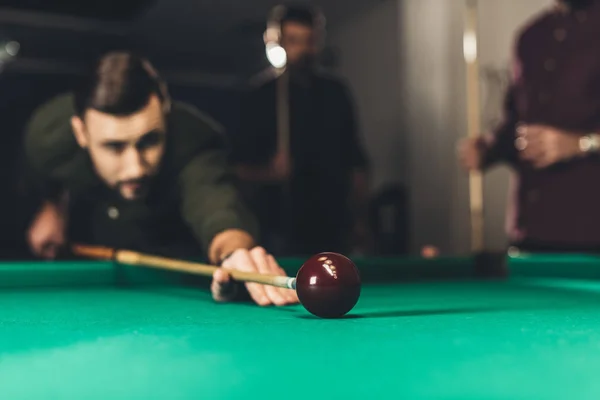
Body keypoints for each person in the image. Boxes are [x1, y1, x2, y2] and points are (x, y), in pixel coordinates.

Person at [20, 51, 298, 306]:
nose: (135, 169)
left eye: (149, 141)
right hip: (97, 236)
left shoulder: (195, 140)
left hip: (172, 248)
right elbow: (45, 173)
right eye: (113, 147)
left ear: (165, 113)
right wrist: (53, 206)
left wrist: (235, 252)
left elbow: (215, 203)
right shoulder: (47, 138)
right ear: (81, 133)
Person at [458, 0, 600, 253]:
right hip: (529, 230)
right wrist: (487, 150)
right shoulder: (531, 36)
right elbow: (516, 120)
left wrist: (581, 143)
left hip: (589, 234)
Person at [232, 4, 370, 256]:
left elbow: (356, 162)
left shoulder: (336, 92)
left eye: (310, 41)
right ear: (277, 42)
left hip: (334, 223)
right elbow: (235, 170)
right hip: (279, 226)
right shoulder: (260, 96)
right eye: (294, 41)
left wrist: (360, 218)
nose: (303, 50)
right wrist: (269, 172)